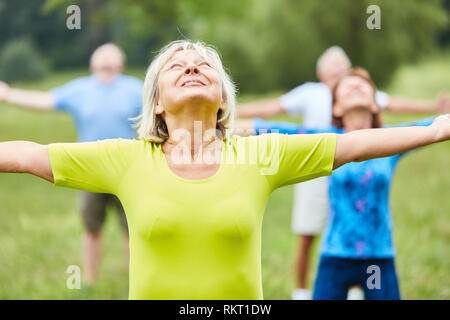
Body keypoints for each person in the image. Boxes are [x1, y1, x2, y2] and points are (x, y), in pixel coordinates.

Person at [0, 40, 449, 300]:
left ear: (223, 101)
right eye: (177, 65)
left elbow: (352, 145)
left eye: (205, 66)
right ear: (156, 101)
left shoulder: (260, 155)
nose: (192, 65)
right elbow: (28, 156)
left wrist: (433, 130)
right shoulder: (127, 158)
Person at [237, 46, 450, 300]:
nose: (355, 86)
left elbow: (432, 125)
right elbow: (270, 128)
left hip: (379, 256)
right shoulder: (326, 140)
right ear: (336, 108)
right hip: (335, 255)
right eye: (347, 86)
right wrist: (212, 124)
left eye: (362, 84)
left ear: (375, 102)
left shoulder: (391, 140)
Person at [0, 43, 143, 284]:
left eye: (111, 59)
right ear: (92, 64)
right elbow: (46, 100)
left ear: (120, 64)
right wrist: (8, 94)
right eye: (101, 59)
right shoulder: (80, 89)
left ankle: (136, 281)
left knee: (133, 231)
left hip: (128, 170)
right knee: (91, 228)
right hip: (89, 170)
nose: (106, 63)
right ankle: (88, 281)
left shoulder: (135, 88)